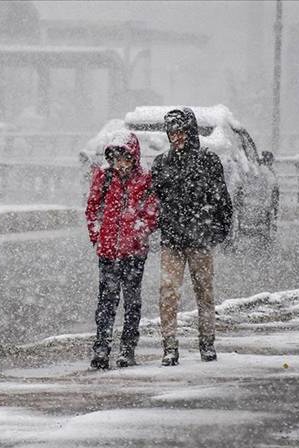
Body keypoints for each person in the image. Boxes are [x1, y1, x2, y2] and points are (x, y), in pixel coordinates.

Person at [150, 108, 233, 366]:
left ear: (190, 131)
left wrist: (216, 232)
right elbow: (154, 200)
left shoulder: (208, 161)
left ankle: (207, 343)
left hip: (199, 239)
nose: (176, 137)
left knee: (204, 292)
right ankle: (170, 346)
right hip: (172, 239)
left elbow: (222, 200)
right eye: (172, 133)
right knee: (168, 292)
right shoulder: (161, 163)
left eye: (180, 131)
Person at [85, 131, 158, 369]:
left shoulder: (145, 180)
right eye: (116, 158)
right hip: (108, 252)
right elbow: (92, 209)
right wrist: (98, 235)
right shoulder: (105, 179)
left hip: (134, 254)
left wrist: (137, 234)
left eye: (125, 158)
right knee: (106, 302)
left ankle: (128, 348)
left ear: (133, 157)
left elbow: (151, 213)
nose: (120, 164)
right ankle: (102, 347)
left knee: (132, 301)